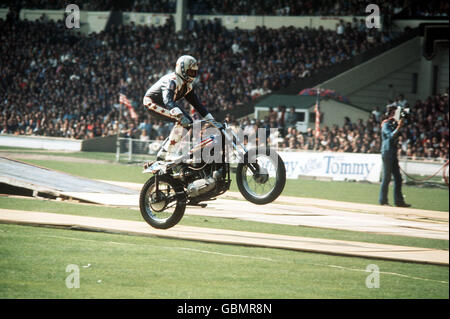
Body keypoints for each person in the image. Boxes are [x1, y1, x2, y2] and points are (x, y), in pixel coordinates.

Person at [142, 55, 222, 163]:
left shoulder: (187, 85)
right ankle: (168, 153)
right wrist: (179, 116)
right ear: (182, 69)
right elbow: (168, 100)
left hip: (165, 104)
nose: (193, 75)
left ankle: (164, 152)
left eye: (194, 72)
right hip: (151, 102)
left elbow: (198, 105)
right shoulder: (172, 80)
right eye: (190, 72)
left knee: (188, 121)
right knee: (182, 120)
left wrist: (213, 121)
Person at [378, 106, 411, 207]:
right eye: (394, 113)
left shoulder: (394, 123)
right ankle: (383, 201)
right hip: (387, 152)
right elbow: (390, 135)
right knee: (386, 178)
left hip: (392, 152)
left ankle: (399, 201)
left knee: (398, 178)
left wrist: (401, 123)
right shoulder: (386, 123)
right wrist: (399, 126)